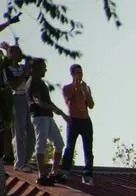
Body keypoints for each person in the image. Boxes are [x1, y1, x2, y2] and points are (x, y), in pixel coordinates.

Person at [26, 58, 68, 186]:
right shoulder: (33, 82)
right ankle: (42, 175)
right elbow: (39, 101)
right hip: (39, 117)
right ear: (35, 69)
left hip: (47, 116)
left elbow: (48, 102)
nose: (45, 69)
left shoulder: (41, 83)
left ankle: (54, 172)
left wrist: (60, 112)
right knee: (41, 144)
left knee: (59, 143)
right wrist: (53, 108)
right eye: (43, 67)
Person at [2, 43, 35, 173]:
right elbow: (14, 86)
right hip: (16, 98)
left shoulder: (22, 67)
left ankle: (25, 160)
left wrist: (27, 70)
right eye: (15, 52)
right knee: (19, 131)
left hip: (26, 98)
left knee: (31, 132)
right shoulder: (7, 70)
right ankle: (19, 162)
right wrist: (24, 74)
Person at [61, 64, 95, 185]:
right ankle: (65, 171)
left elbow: (91, 105)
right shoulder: (67, 88)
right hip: (73, 121)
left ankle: (88, 174)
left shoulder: (86, 87)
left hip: (85, 120)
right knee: (70, 147)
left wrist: (86, 91)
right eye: (77, 73)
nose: (79, 75)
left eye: (81, 73)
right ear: (72, 74)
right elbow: (67, 101)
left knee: (88, 148)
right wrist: (75, 87)